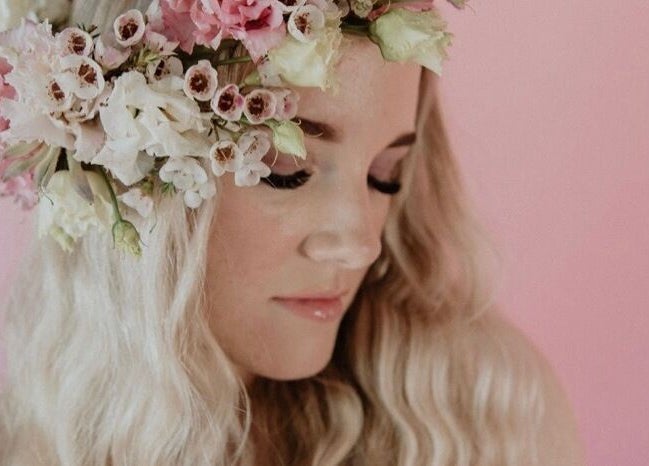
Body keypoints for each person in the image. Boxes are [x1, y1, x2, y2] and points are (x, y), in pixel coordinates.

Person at [0, 0, 584, 464]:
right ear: (129, 163)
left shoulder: (488, 417)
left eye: (386, 175)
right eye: (286, 169)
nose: (361, 245)